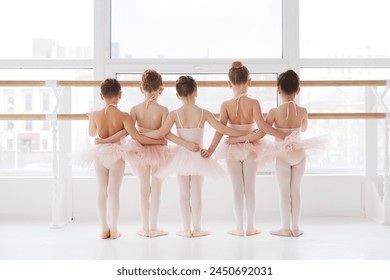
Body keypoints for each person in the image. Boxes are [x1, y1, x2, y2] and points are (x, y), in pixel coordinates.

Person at [96, 70, 200, 237]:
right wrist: (158, 141)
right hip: (159, 152)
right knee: (156, 189)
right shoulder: (164, 110)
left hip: (140, 152)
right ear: (161, 89)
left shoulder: (135, 109)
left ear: (141, 89)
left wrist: (141, 137)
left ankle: (145, 228)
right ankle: (153, 227)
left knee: (144, 189)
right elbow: (164, 136)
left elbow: (129, 132)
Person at [143, 75, 247, 238]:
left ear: (178, 95)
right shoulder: (203, 113)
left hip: (181, 157)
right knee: (197, 192)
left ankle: (186, 229)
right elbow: (222, 129)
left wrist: (140, 133)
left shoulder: (175, 114)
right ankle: (197, 229)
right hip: (199, 156)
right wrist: (244, 134)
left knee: (183, 193)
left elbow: (163, 134)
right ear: (196, 91)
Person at [200, 61, 286, 237]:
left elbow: (220, 130)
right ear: (250, 81)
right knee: (250, 188)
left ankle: (239, 228)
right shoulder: (254, 102)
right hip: (251, 148)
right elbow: (262, 128)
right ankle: (251, 227)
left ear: (228, 83)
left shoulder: (225, 104)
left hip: (231, 149)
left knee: (237, 189)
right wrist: (283, 135)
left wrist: (210, 149)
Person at [75, 78, 167, 240]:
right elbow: (136, 136)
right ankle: (115, 230)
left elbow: (91, 133)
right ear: (120, 95)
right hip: (117, 155)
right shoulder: (124, 116)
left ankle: (104, 228)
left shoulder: (96, 114)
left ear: (101, 96)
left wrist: (91, 119)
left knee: (102, 191)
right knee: (114, 191)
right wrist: (159, 141)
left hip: (99, 154)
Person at [228, 69, 308, 237]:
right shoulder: (303, 111)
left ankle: (285, 228)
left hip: (282, 153)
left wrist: (240, 138)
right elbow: (303, 128)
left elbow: (263, 130)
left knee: (284, 191)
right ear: (298, 90)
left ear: (278, 89)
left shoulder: (273, 112)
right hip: (299, 151)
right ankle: (296, 227)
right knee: (297, 190)